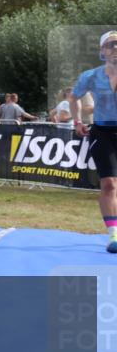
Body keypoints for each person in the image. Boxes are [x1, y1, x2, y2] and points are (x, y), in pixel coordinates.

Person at [72, 30, 117, 253]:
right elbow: (74, 97)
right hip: (103, 132)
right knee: (109, 184)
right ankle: (113, 234)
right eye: (110, 45)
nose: (115, 48)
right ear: (102, 51)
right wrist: (77, 121)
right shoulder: (91, 76)